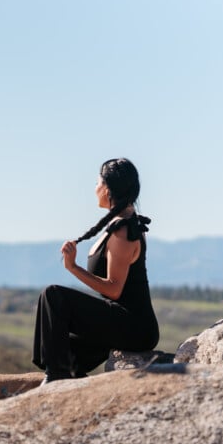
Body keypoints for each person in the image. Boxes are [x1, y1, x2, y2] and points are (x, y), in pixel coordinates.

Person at [32, 158, 159, 384]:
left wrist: (72, 267)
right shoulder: (121, 224)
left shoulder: (123, 233)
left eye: (98, 182)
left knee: (53, 296)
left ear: (108, 189)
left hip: (133, 326)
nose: (95, 188)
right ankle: (65, 374)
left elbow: (114, 290)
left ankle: (56, 377)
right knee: (61, 346)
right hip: (118, 322)